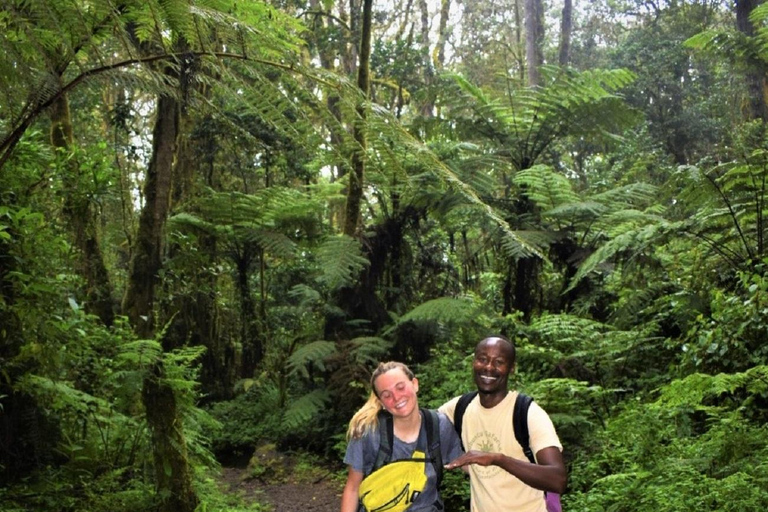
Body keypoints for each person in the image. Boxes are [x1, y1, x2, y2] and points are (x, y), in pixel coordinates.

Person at [440, 336, 567, 512]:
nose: (489, 367)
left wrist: (498, 459)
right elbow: (421, 425)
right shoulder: (460, 407)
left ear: (511, 369)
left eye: (499, 362)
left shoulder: (528, 413)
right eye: (482, 359)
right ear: (474, 362)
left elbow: (557, 480)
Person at [340, 361, 464, 512]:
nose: (397, 397)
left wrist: (495, 460)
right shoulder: (369, 431)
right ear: (381, 402)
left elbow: (465, 464)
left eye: (400, 387)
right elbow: (353, 488)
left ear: (415, 384)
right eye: (387, 395)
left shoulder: (438, 426)